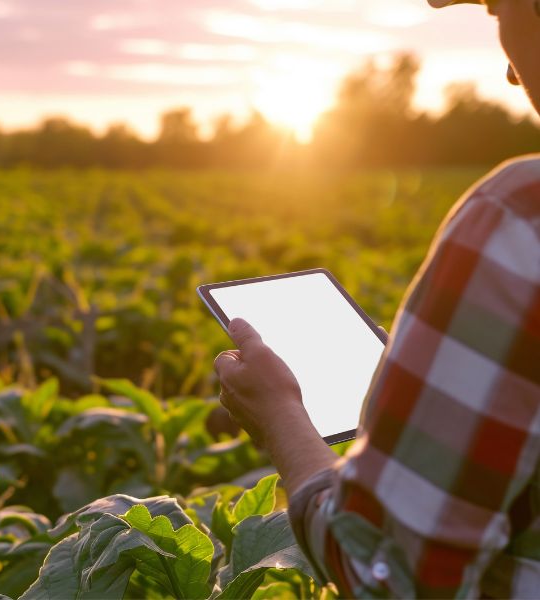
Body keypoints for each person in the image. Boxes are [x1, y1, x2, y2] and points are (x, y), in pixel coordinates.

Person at [214, 1, 540, 597]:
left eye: (499, 12)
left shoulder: (522, 215)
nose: (510, 74)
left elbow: (390, 578)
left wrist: (282, 417)